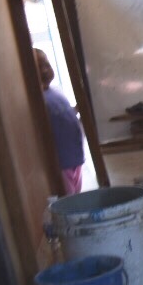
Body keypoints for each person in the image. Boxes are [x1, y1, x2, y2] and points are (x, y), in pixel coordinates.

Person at [34, 49, 86, 194]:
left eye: (47, 65)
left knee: (77, 195)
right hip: (61, 163)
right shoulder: (37, 100)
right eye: (39, 67)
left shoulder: (56, 92)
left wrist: (79, 110)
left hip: (75, 157)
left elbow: (64, 116)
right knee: (69, 202)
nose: (45, 70)